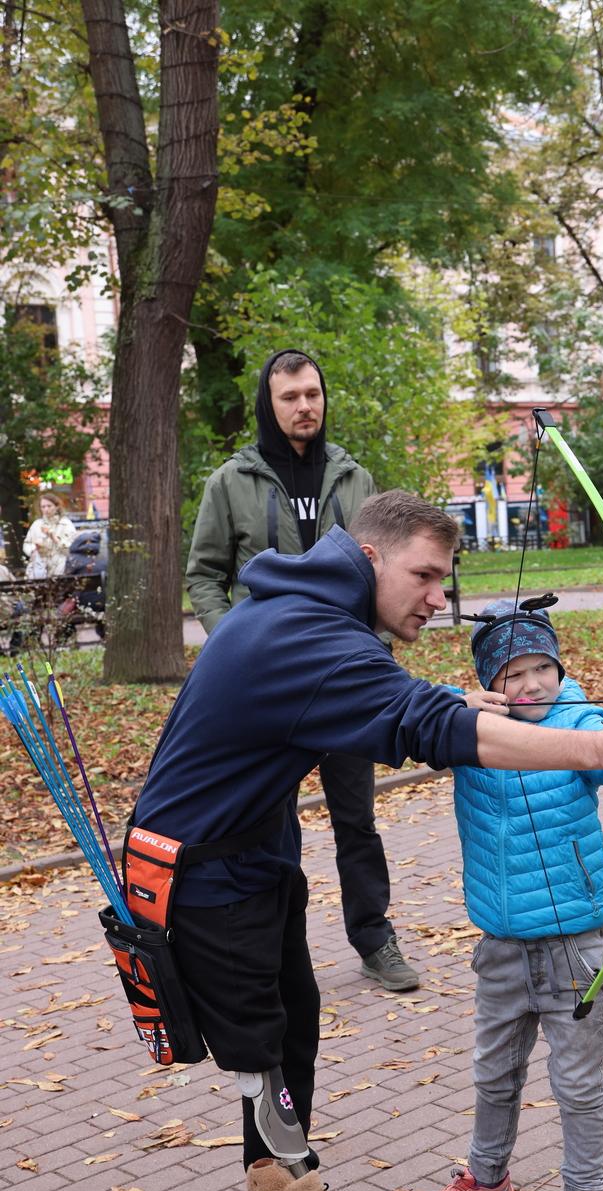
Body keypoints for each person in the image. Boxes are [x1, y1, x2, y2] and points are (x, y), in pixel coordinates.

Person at [132, 491, 603, 1191]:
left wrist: (460, 703)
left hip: (252, 864)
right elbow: (418, 720)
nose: (438, 597)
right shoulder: (304, 633)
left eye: (445, 578)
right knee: (264, 1068)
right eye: (425, 575)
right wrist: (599, 746)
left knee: (292, 1043)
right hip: (204, 882)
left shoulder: (311, 615)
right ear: (369, 557)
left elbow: (391, 698)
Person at [411, 600, 603, 1191]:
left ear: (559, 668)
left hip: (572, 943)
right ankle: (487, 1180)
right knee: (494, 1074)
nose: (530, 685)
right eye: (514, 674)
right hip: (500, 942)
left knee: (578, 1084)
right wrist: (456, 704)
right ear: (492, 680)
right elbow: (407, 718)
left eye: (541, 668)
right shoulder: (472, 729)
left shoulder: (579, 723)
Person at [185, 349, 420, 992]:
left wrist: (376, 647)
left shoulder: (354, 478)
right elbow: (204, 574)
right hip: (268, 687)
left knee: (356, 818)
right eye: (289, 397)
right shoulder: (230, 481)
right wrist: (231, 637)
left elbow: (385, 567)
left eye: (312, 393)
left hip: (344, 678)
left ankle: (374, 939)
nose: (304, 406)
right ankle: (275, 949)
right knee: (265, 820)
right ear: (269, 402)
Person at [22, 492, 76, 579]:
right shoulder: (37, 524)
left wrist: (54, 538)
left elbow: (72, 549)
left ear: (57, 507)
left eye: (49, 506)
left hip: (59, 567)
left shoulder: (66, 524)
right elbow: (27, 544)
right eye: (43, 507)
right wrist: (34, 549)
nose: (46, 509)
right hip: (39, 568)